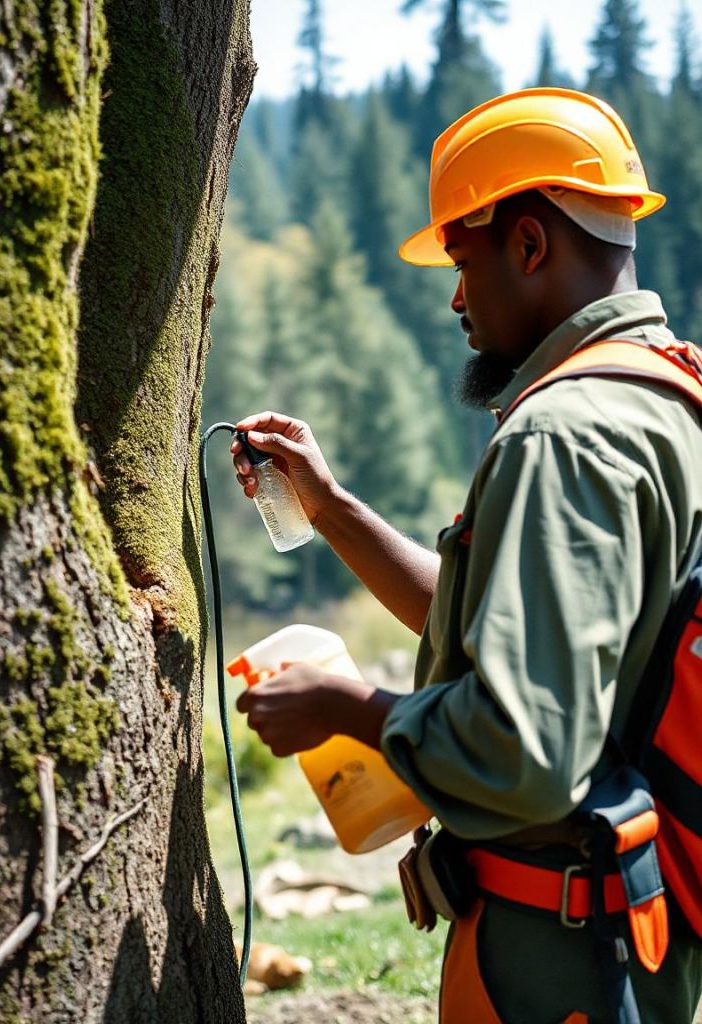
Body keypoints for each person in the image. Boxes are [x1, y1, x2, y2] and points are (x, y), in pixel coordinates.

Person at [231, 89, 702, 1023]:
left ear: (530, 245)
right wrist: (330, 509)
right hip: (625, 936)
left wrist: (346, 706)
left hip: (555, 957)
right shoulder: (666, 399)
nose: (454, 297)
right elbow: (520, 619)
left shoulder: (563, 434)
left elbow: (524, 749)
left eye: (461, 260)